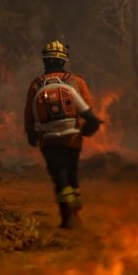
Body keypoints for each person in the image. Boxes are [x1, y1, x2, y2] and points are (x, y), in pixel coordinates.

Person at [24, 39, 102, 229]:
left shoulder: (36, 84)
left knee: (58, 175)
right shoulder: (76, 81)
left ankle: (66, 215)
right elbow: (88, 111)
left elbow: (29, 116)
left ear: (45, 61)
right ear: (63, 60)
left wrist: (32, 136)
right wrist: (88, 130)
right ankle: (75, 210)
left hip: (48, 140)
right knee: (71, 171)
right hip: (72, 137)